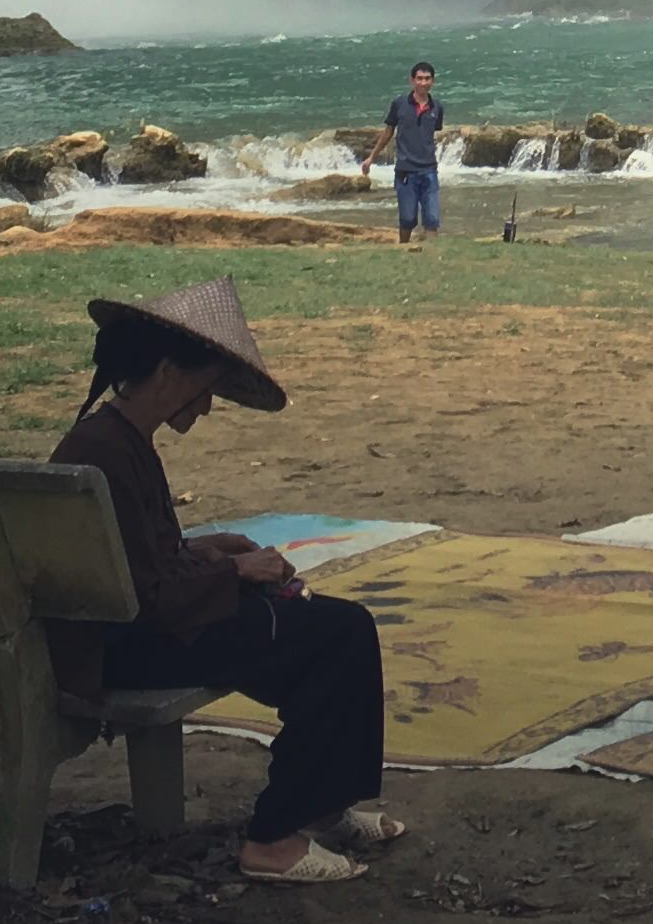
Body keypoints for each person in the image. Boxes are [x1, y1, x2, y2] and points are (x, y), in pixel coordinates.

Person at [49, 277, 404, 884]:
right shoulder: (107, 452)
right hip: (126, 647)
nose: (208, 405)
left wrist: (206, 552)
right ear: (167, 373)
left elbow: (131, 561)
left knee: (324, 632)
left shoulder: (112, 440)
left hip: (122, 632)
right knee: (337, 635)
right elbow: (147, 595)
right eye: (204, 388)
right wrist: (237, 570)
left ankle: (319, 804)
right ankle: (274, 839)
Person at [358, 59, 446, 243]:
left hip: (429, 170)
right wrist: (371, 158)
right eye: (419, 78)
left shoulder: (437, 108)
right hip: (406, 171)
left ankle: (433, 254)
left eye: (427, 78)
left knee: (432, 218)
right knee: (407, 219)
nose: (423, 82)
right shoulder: (399, 104)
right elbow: (388, 132)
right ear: (412, 81)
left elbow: (433, 132)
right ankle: (403, 249)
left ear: (433, 81)